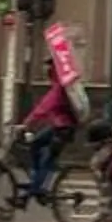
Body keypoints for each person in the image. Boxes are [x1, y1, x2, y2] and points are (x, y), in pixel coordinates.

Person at [17, 77, 78, 207]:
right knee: (35, 144)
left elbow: (44, 107)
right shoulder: (60, 86)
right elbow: (46, 108)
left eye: (50, 67)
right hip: (58, 126)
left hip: (63, 129)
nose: (48, 70)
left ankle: (36, 190)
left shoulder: (59, 88)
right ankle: (37, 181)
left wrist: (27, 123)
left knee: (48, 159)